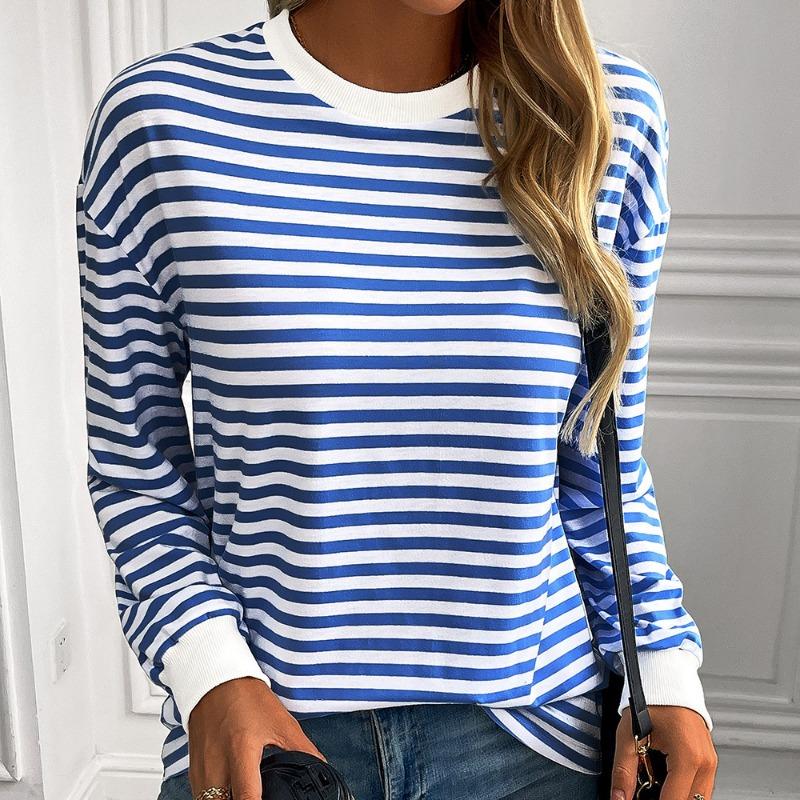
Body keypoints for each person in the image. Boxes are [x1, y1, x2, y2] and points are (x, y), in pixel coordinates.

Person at [75, 1, 719, 798]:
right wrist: (209, 674)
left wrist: (662, 664)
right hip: (268, 743)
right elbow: (137, 472)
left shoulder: (601, 115)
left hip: (536, 741)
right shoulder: (164, 121)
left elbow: (601, 465)